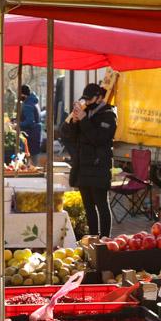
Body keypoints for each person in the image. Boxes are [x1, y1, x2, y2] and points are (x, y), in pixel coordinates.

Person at [60, 83, 115, 237]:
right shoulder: (86, 112)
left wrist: (84, 119)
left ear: (99, 98)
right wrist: (74, 121)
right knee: (89, 207)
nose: (87, 102)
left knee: (102, 205)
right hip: (82, 167)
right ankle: (92, 238)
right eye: (85, 99)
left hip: (98, 167)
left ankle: (104, 239)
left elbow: (98, 138)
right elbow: (69, 136)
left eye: (90, 99)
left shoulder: (108, 115)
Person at [19, 84, 42, 158]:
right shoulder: (34, 101)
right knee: (34, 157)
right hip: (36, 134)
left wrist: (18, 124)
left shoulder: (28, 105)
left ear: (23, 94)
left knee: (30, 157)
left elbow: (29, 122)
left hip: (30, 135)